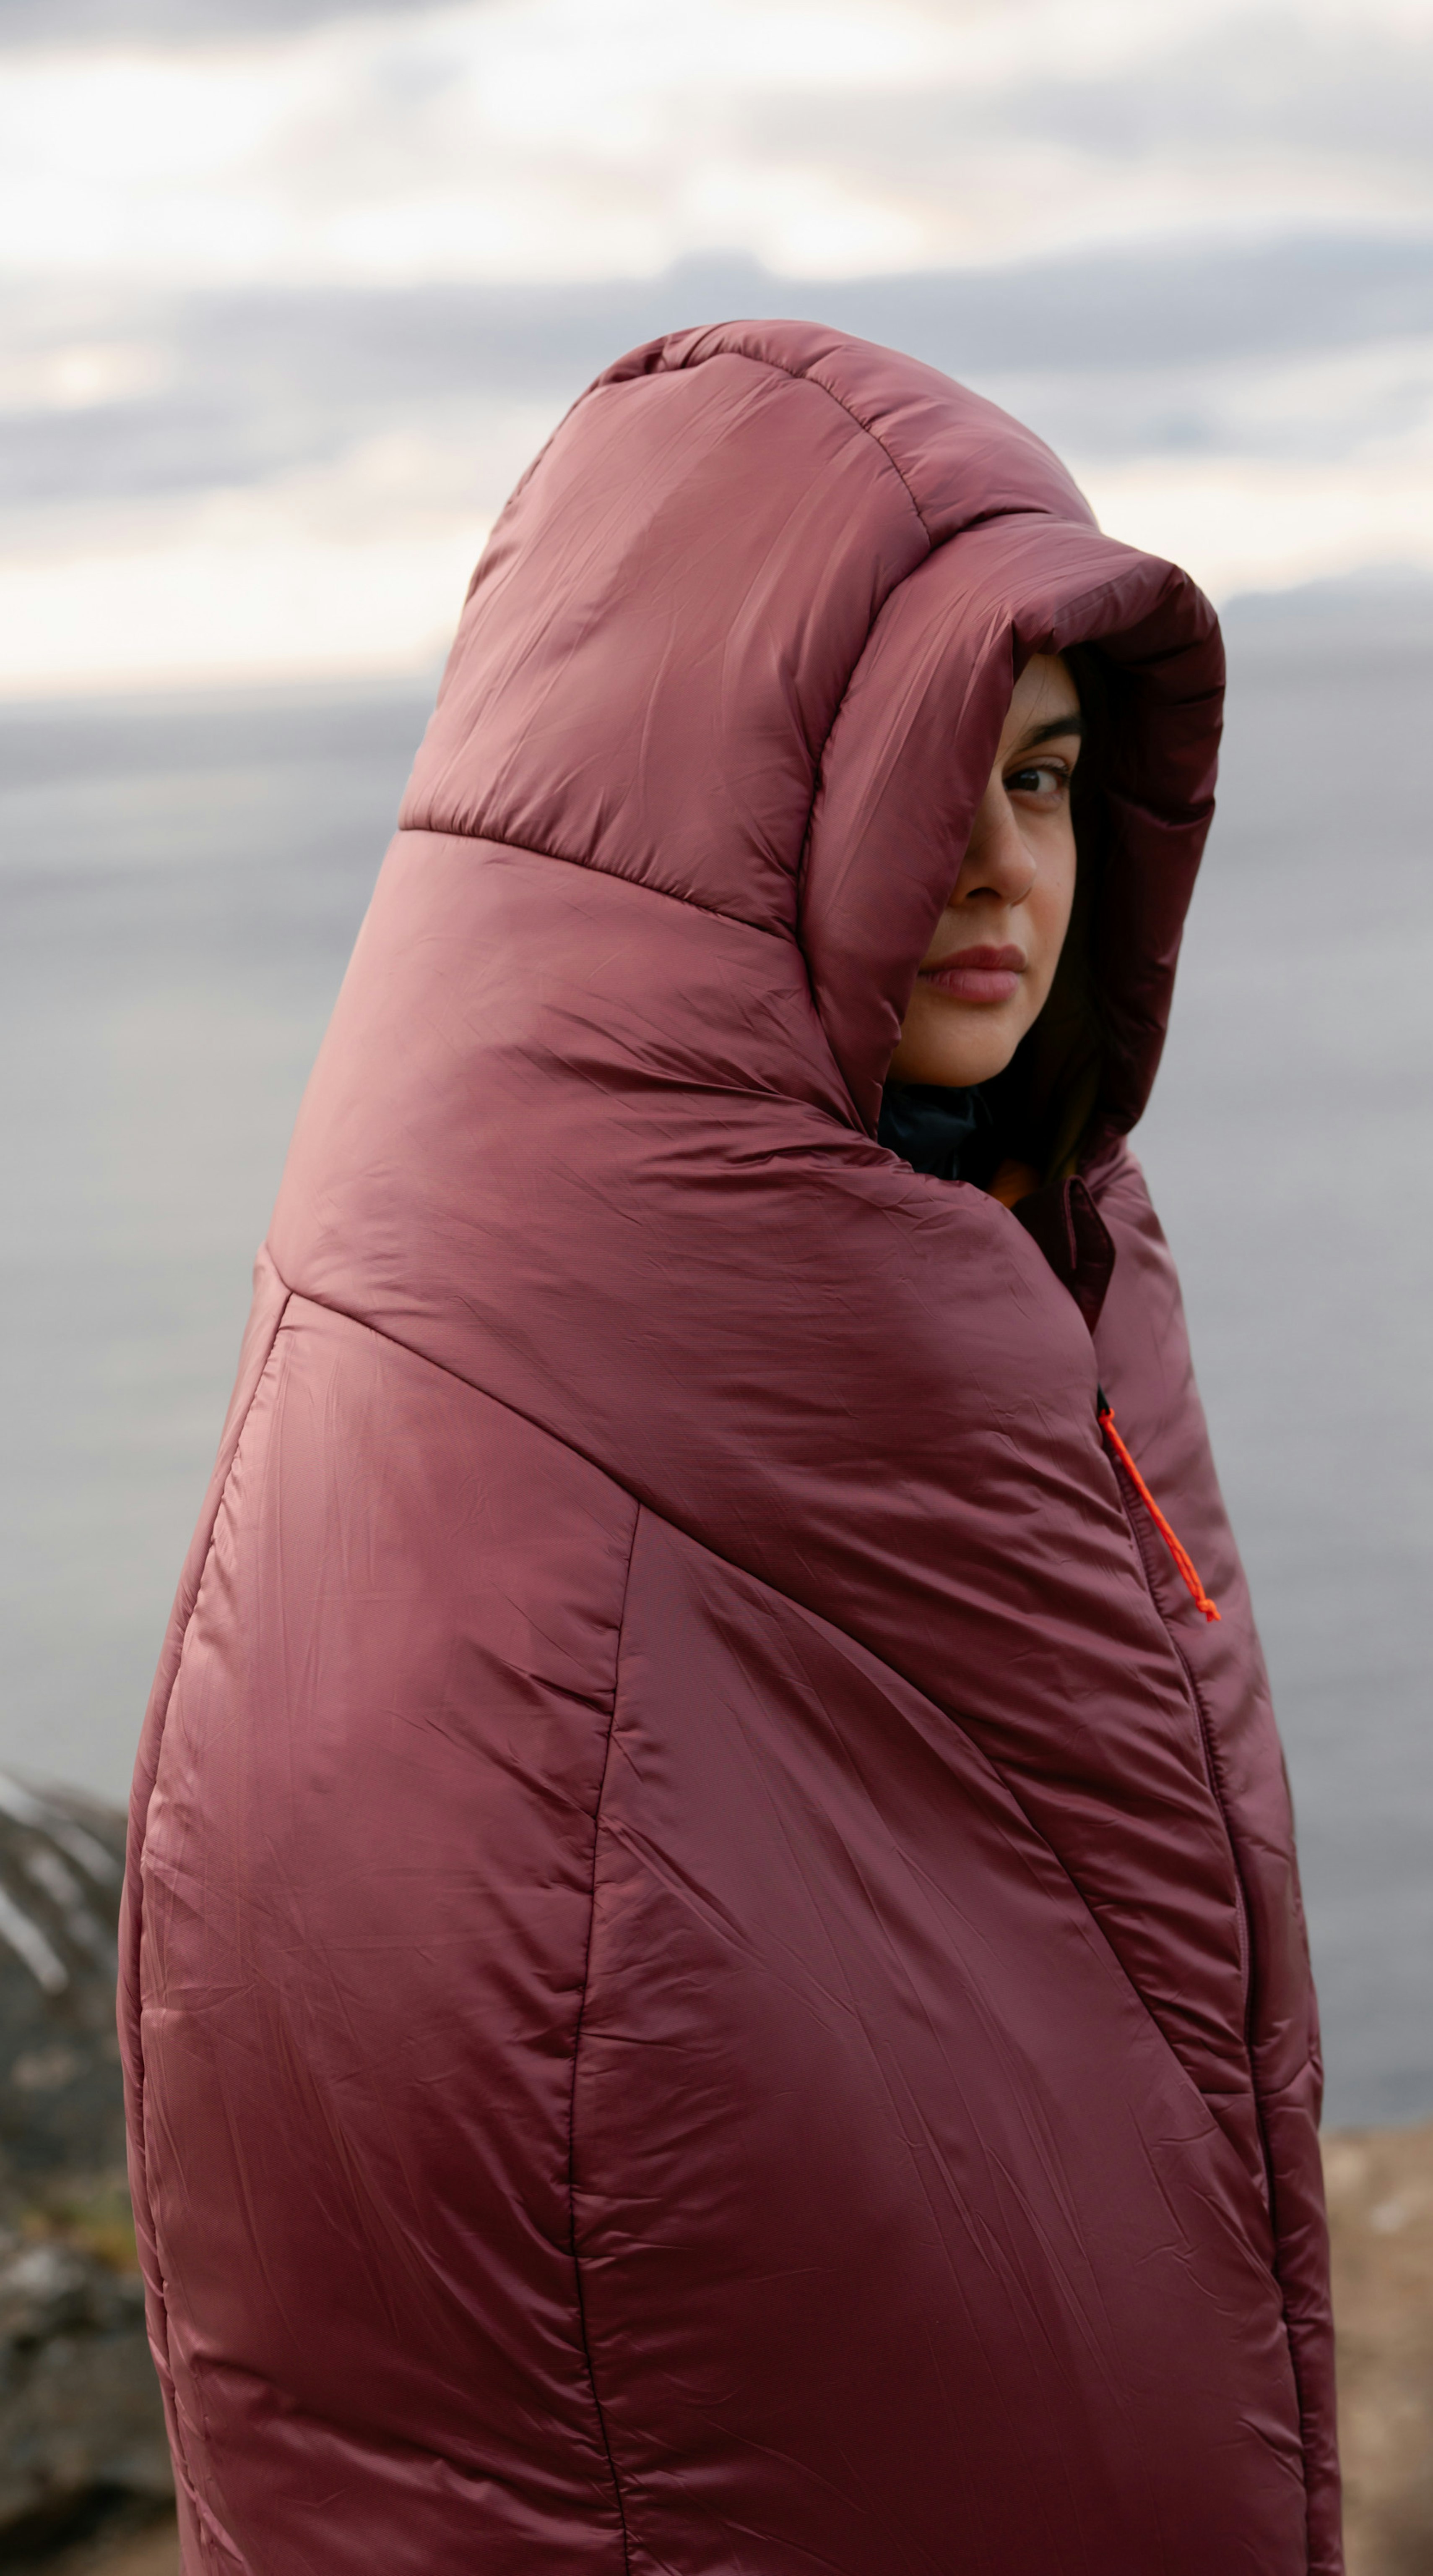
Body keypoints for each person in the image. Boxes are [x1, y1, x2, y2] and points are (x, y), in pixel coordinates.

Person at [121, 320, 1340, 2575]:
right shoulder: (529, 1361)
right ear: (718, 805)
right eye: (926, 771)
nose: (1002, 869)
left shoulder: (1012, 1236)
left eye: (1050, 779)